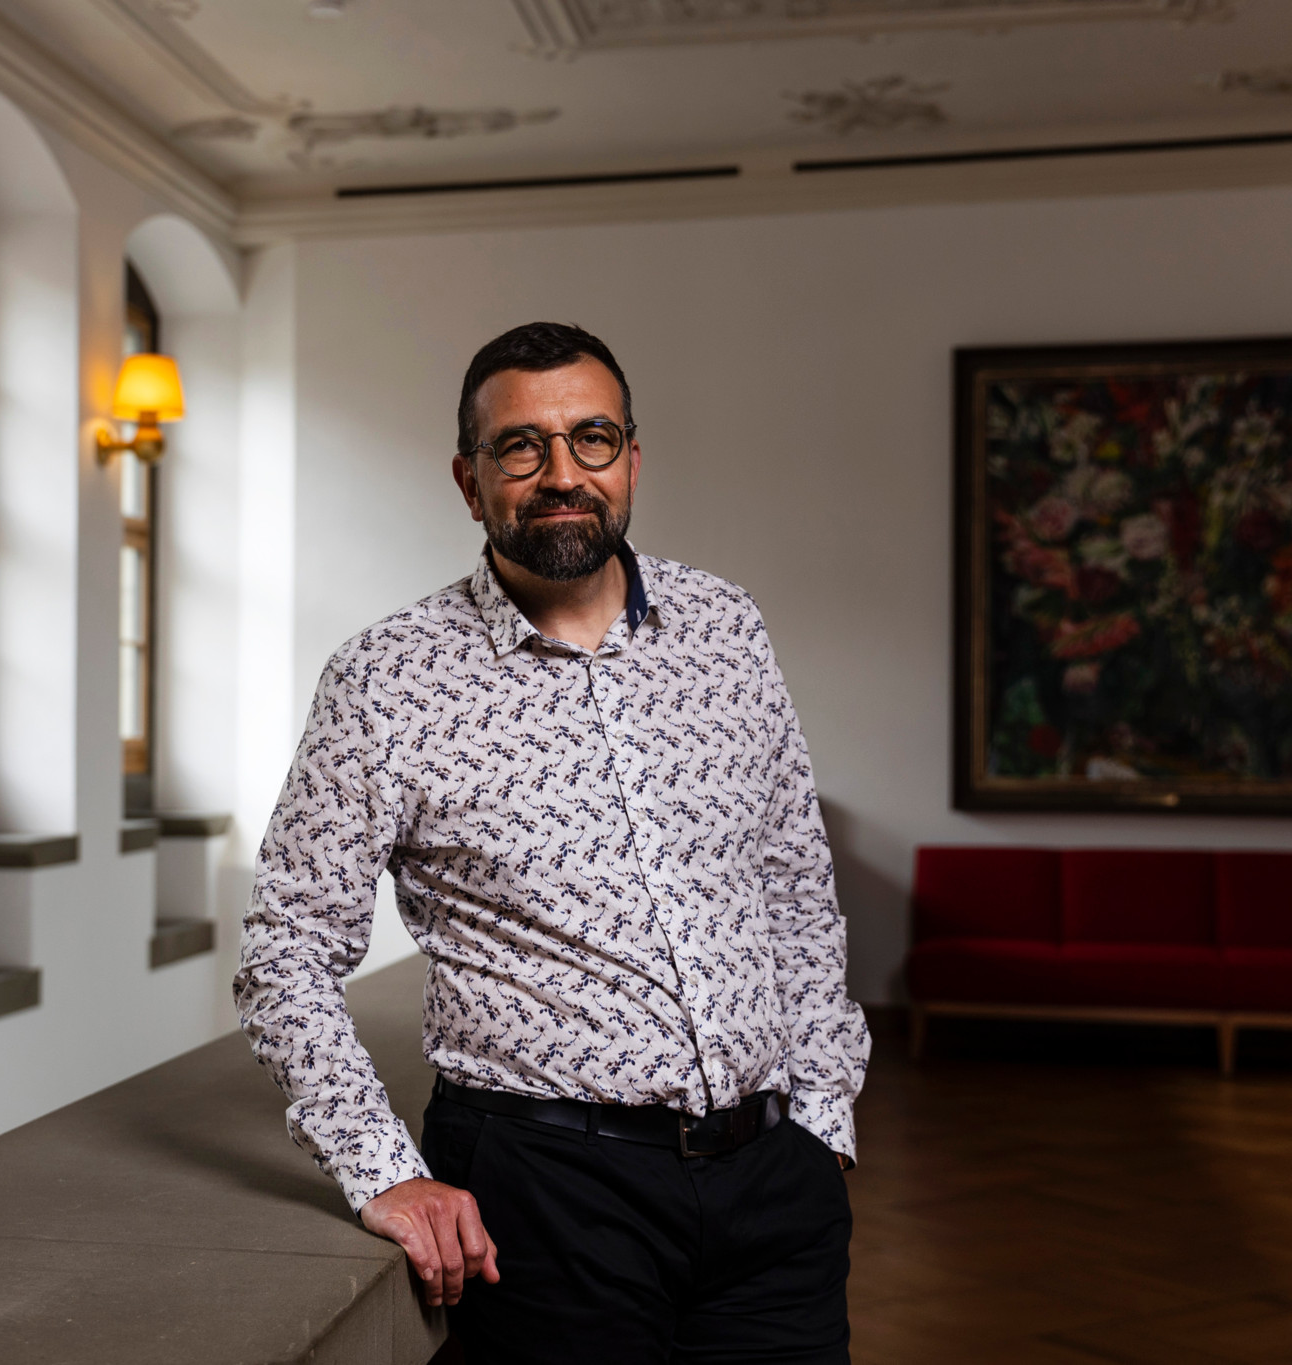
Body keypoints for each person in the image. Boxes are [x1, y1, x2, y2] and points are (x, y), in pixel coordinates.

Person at [236, 321, 869, 1364]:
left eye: (591, 439)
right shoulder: (386, 679)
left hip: (771, 1192)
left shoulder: (725, 627)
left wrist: (822, 1113)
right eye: (520, 448)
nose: (560, 475)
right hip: (542, 1197)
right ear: (468, 478)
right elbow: (286, 951)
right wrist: (378, 1167)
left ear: (630, 456)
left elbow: (792, 883)